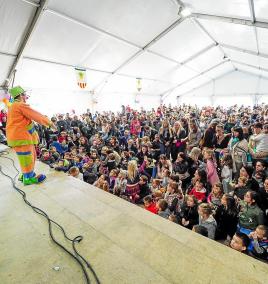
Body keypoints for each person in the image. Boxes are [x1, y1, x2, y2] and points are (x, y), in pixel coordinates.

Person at [6, 86, 56, 185]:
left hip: (17, 137)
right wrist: (50, 123)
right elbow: (36, 115)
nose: (26, 97)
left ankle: (25, 174)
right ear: (20, 95)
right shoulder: (20, 105)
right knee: (28, 157)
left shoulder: (12, 106)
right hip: (22, 137)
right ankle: (29, 178)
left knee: (23, 157)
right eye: (24, 95)